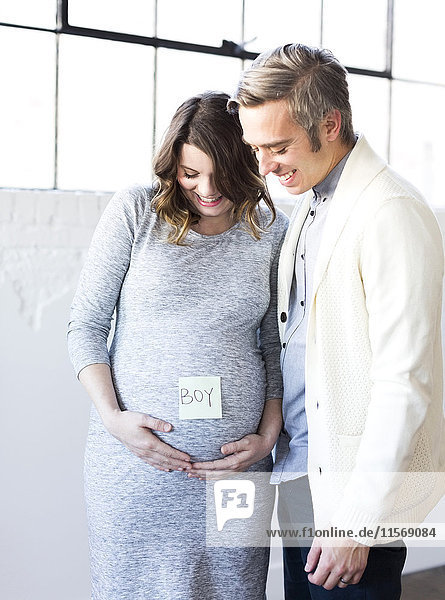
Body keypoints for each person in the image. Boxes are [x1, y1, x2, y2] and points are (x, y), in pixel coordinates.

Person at [215, 43, 445, 598]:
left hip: (354, 499)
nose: (265, 166)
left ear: (331, 123)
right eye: (256, 148)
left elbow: (403, 383)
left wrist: (358, 519)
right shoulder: (310, 205)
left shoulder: (391, 212)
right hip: (302, 476)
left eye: (278, 146)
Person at [67, 91, 288, 600]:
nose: (206, 190)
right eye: (191, 174)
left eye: (222, 175)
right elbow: (85, 326)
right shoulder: (136, 212)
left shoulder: (271, 230)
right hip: (136, 469)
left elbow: (276, 343)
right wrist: (113, 420)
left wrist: (268, 434)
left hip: (238, 473)